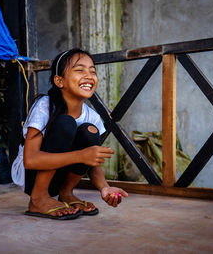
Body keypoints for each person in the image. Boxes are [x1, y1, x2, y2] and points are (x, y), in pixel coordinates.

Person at [11, 48, 128, 220]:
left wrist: (104, 187)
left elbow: (91, 160)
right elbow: (30, 160)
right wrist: (80, 155)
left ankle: (66, 193)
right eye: (79, 70)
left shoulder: (93, 117)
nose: (88, 76)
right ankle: (38, 198)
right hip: (31, 177)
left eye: (92, 71)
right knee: (65, 123)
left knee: (90, 131)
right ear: (59, 81)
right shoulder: (45, 106)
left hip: (58, 176)